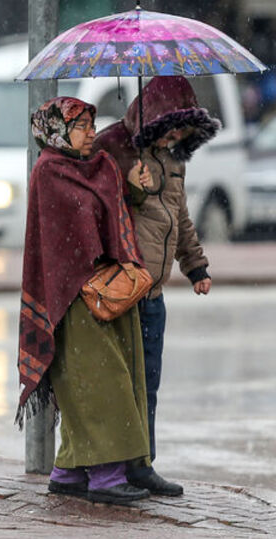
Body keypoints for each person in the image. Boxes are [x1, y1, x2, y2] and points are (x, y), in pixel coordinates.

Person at [16, 96, 157, 505]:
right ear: (57, 132)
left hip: (108, 291)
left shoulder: (99, 167)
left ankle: (69, 470)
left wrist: (132, 186)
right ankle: (106, 477)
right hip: (74, 298)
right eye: (81, 126)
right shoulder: (49, 172)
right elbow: (69, 241)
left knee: (104, 380)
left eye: (92, 124)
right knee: (97, 385)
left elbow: (111, 215)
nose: (92, 133)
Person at [93, 76, 219, 497]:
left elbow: (179, 219)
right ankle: (112, 468)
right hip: (124, 287)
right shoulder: (117, 150)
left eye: (184, 129)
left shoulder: (175, 160)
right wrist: (134, 191)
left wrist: (196, 266)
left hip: (154, 294)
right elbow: (103, 212)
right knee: (120, 384)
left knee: (148, 383)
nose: (176, 136)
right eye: (170, 126)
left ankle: (142, 463)